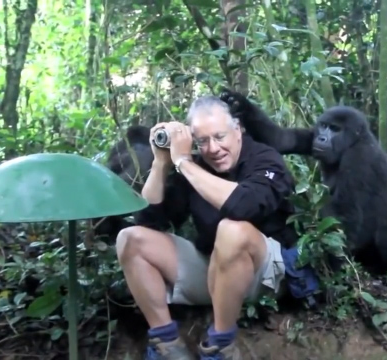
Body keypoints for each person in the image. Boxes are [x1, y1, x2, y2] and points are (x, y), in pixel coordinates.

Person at [115, 95, 299, 360]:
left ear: (238, 130)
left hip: (265, 277)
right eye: (203, 141)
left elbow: (243, 207)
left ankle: (220, 345)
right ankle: (167, 344)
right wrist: (162, 163)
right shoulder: (195, 168)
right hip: (215, 271)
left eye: (220, 137)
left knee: (231, 230)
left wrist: (185, 163)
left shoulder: (265, 159)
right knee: (130, 239)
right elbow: (149, 220)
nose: (213, 149)